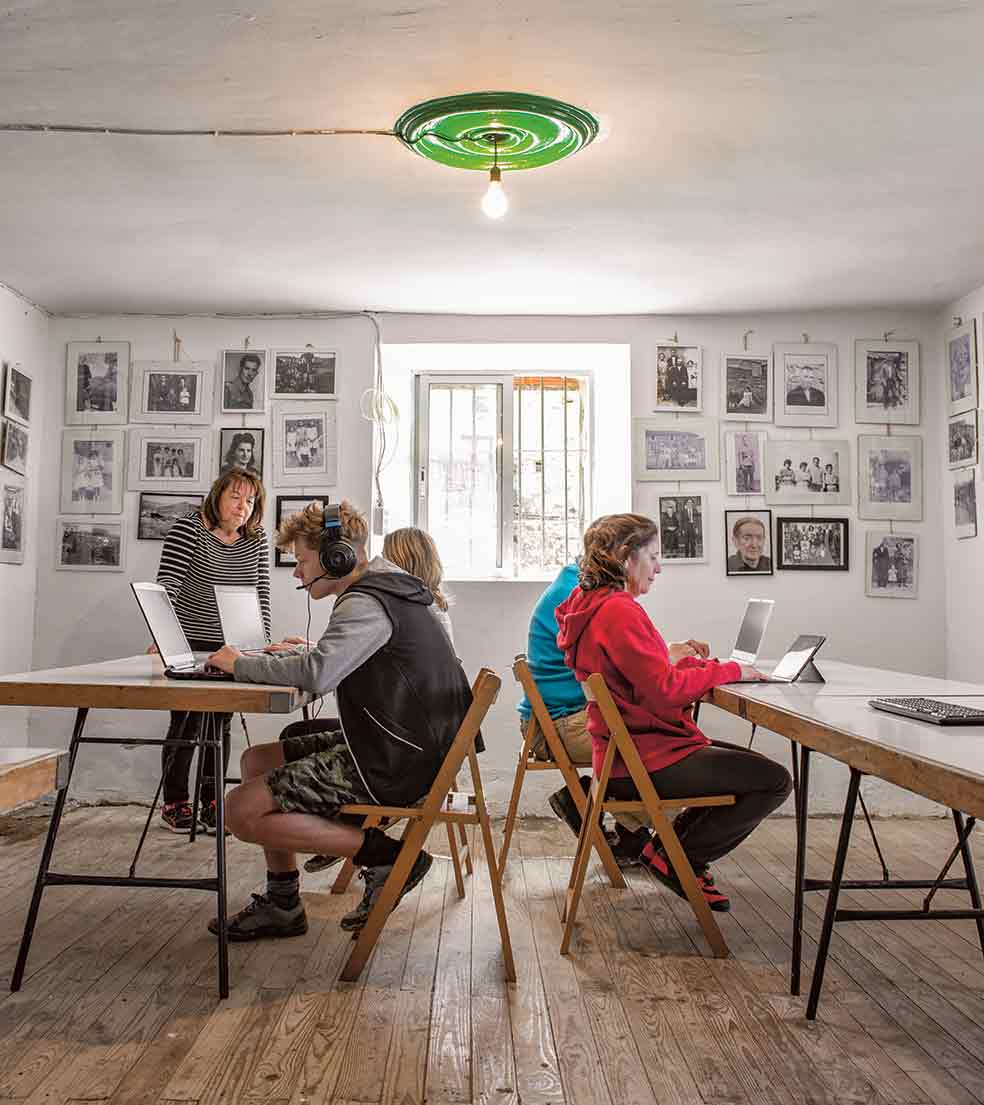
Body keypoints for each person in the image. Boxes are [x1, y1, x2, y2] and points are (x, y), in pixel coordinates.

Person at [203, 501, 474, 940]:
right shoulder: (389, 588)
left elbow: (319, 673)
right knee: (257, 760)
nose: (296, 574)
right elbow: (332, 661)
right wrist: (277, 658)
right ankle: (284, 902)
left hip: (393, 763)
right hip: (406, 747)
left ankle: (385, 857)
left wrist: (240, 666)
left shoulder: (367, 600)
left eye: (302, 561)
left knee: (238, 810)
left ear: (337, 557)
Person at [555, 513, 792, 912]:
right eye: (654, 556)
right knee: (774, 780)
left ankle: (672, 852)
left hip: (622, 753)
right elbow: (663, 692)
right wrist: (731, 670)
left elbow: (642, 681)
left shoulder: (590, 605)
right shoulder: (619, 611)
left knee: (751, 765)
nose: (659, 567)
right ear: (627, 557)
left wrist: (694, 668)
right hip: (643, 760)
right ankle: (680, 857)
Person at [518, 558, 710, 867]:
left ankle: (622, 829)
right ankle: (624, 825)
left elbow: (620, 658)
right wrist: (668, 660)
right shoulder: (583, 595)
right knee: (661, 751)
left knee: (648, 738)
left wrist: (664, 652)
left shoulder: (579, 588)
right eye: (646, 556)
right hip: (560, 726)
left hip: (554, 720)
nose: (654, 566)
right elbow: (626, 667)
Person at [153, 470, 271, 834]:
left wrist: (262, 645)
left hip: (232, 648)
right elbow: (168, 585)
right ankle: (174, 804)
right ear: (217, 496)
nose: (242, 507)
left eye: (250, 501)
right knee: (186, 723)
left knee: (221, 723)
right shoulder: (189, 529)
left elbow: (260, 593)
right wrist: (163, 636)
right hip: (189, 646)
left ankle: (211, 801)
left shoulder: (257, 539)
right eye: (235, 497)